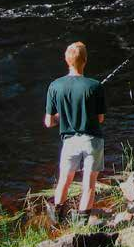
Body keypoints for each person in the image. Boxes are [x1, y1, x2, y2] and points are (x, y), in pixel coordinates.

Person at [44, 41, 106, 225]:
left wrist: (61, 116)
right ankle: (81, 225)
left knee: (64, 180)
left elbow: (48, 122)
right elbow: (100, 118)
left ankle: (57, 221)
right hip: (92, 140)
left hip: (70, 142)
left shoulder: (55, 86)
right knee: (89, 184)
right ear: (85, 60)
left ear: (66, 60)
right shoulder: (95, 86)